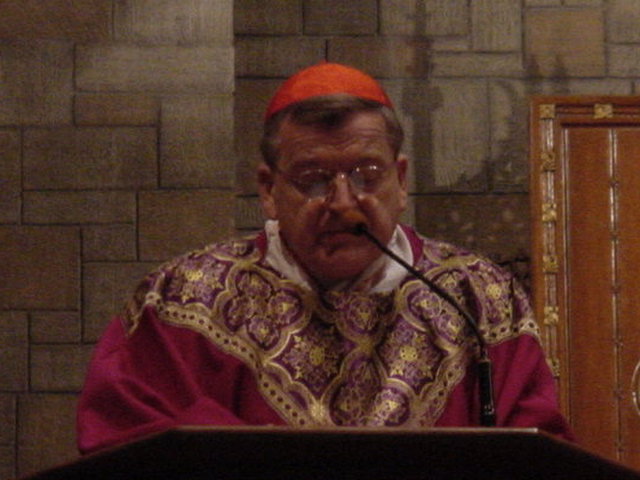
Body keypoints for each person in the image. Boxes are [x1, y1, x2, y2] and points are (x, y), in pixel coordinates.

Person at [77, 62, 573, 454]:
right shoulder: (182, 302)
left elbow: (537, 449)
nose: (343, 201)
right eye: (313, 178)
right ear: (268, 190)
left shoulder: (480, 300)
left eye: (367, 174)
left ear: (401, 181)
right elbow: (126, 443)